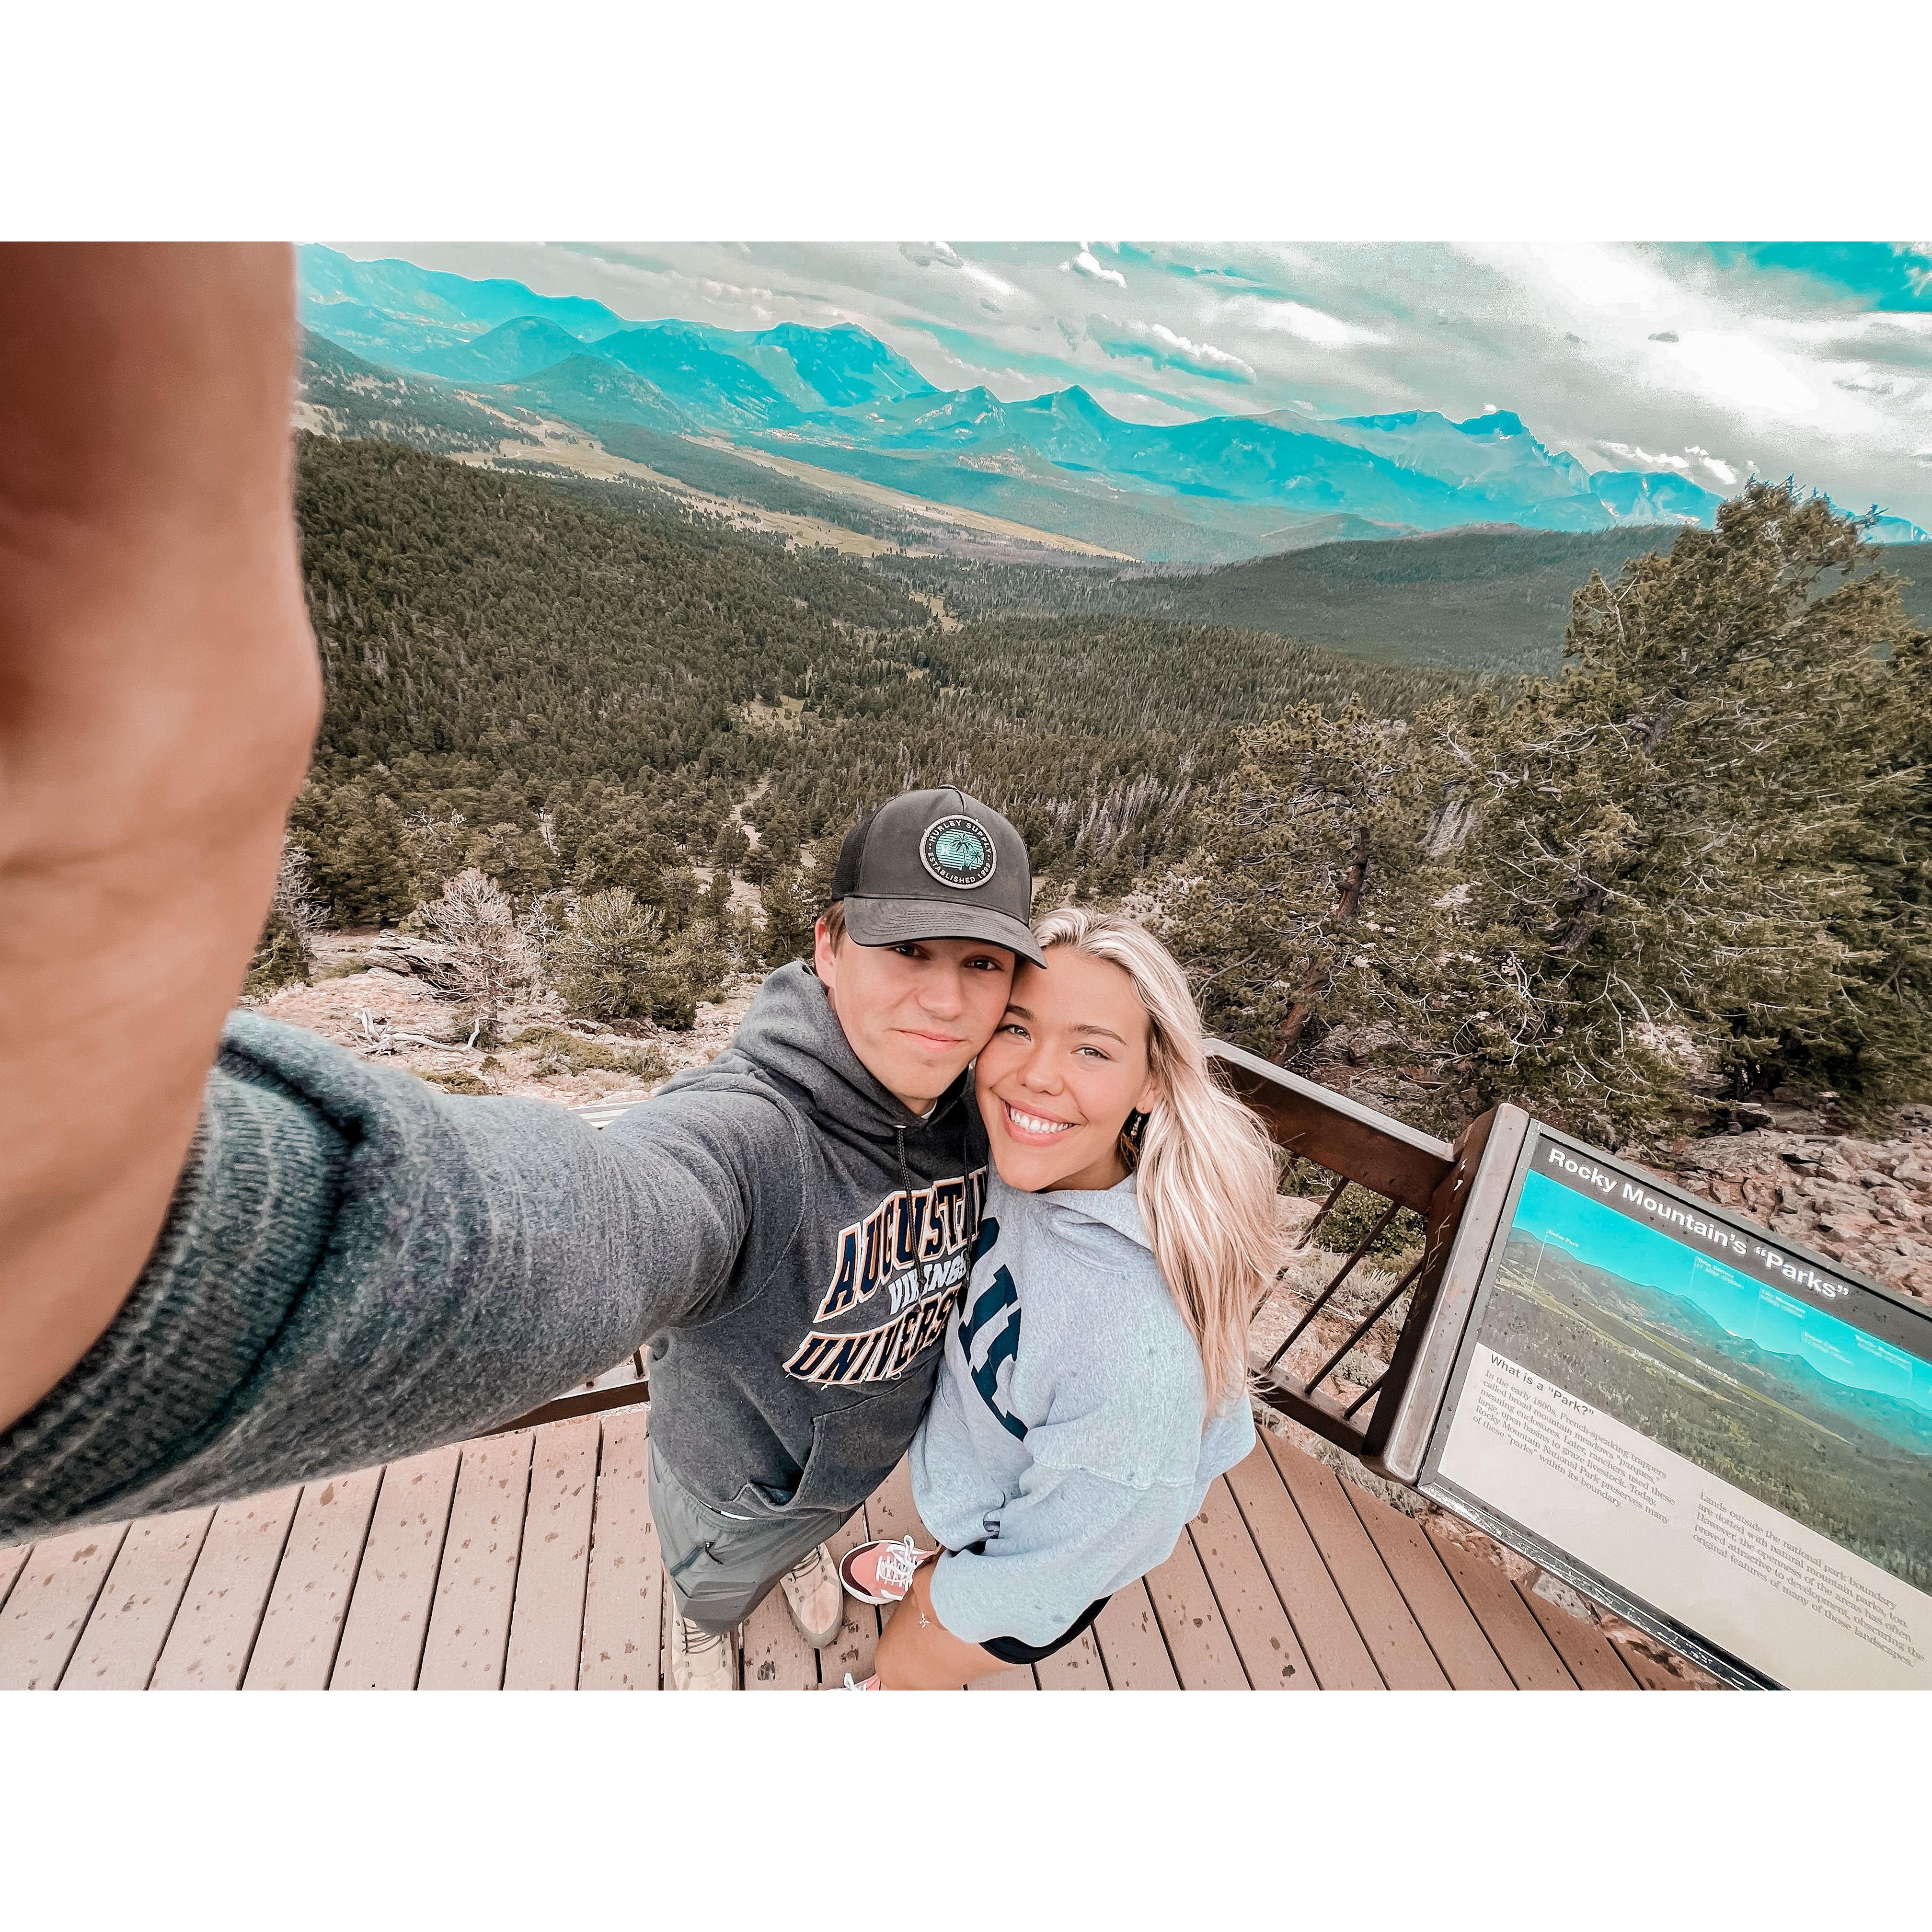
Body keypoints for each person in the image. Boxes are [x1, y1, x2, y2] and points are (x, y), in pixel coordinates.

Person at [0, 243, 1045, 1691]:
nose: (943, 996)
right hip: (737, 1479)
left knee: (798, 1535)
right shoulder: (745, 1145)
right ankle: (713, 1610)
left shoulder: (999, 1113)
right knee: (717, 1577)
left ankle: (789, 1555)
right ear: (824, 944)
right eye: (906, 950)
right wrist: (115, 1245)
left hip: (865, 1460)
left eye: (982, 966)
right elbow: (590, 1228)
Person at [835, 908, 1282, 1688]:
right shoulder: (1024, 1157)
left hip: (1036, 1572)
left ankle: (919, 1619)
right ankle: (941, 1555)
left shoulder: (1137, 1358)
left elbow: (1054, 1568)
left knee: (906, 1662)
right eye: (1016, 1028)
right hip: (996, 1492)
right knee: (968, 1555)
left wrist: (944, 1600)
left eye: (1092, 1049)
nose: (1038, 1074)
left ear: (1152, 1082)